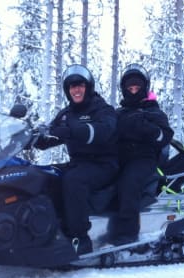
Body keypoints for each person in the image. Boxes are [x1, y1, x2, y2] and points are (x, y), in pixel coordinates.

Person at [35, 64, 118, 254]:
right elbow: (50, 134)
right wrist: (33, 137)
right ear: (67, 90)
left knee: (74, 180)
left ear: (88, 87)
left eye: (80, 85)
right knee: (43, 175)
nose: (76, 90)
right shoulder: (66, 114)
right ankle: (48, 229)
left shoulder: (102, 109)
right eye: (72, 86)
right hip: (78, 163)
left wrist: (73, 131)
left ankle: (80, 238)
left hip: (104, 164)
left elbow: (104, 130)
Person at [107, 63, 174, 246]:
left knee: (129, 182)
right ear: (124, 89)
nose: (134, 91)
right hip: (119, 157)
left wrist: (147, 128)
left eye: (137, 87)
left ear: (144, 88)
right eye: (130, 87)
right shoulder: (118, 113)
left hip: (144, 158)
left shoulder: (153, 111)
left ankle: (128, 234)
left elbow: (165, 135)